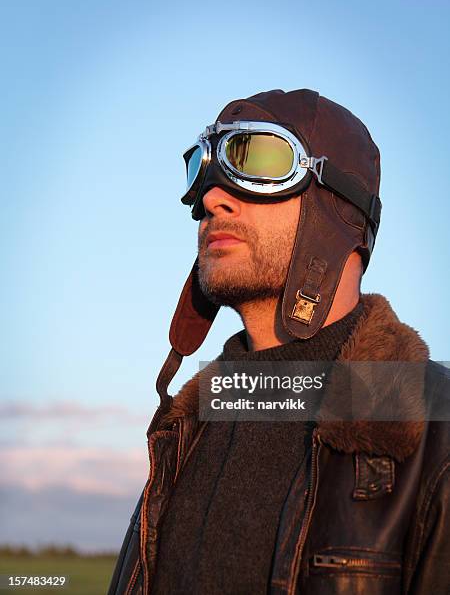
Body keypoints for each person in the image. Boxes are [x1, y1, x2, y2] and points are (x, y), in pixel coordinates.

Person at [108, 89, 450, 594]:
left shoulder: (432, 429)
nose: (211, 198)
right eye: (202, 171)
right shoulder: (183, 434)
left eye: (259, 160)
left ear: (339, 208)